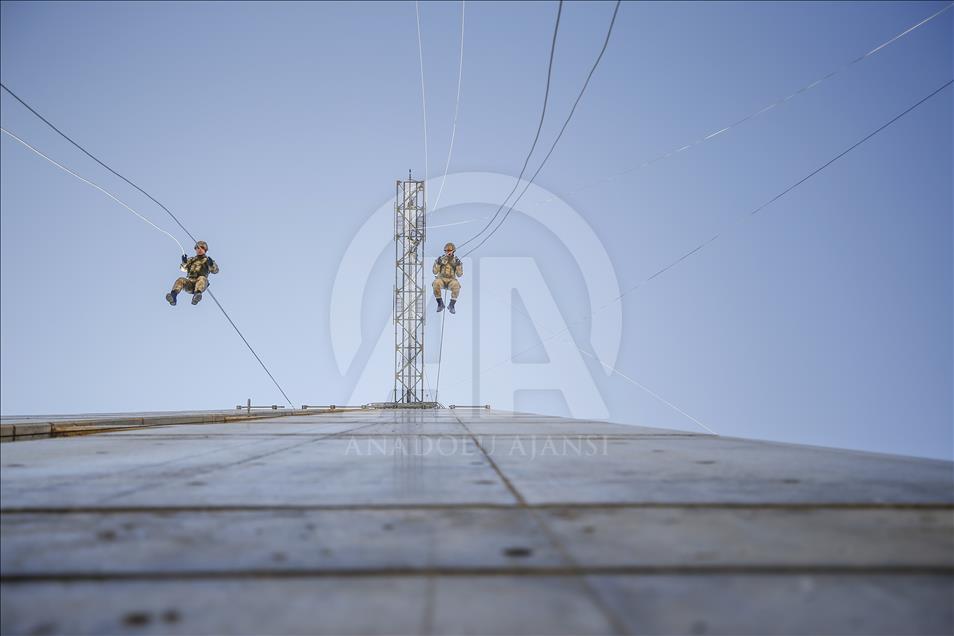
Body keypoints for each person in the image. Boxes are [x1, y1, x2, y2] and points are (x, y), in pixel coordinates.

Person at [166, 240, 219, 306]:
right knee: (180, 279)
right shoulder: (191, 260)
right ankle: (173, 296)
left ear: (205, 250)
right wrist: (184, 263)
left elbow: (215, 271)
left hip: (201, 283)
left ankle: (196, 296)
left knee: (202, 278)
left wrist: (211, 264)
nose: (199, 249)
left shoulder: (207, 260)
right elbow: (183, 269)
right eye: (197, 248)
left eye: (202, 248)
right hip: (190, 283)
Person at [432, 242, 462, 313]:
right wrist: (438, 263)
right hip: (441, 279)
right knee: (436, 282)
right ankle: (440, 303)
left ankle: (451, 305)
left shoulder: (456, 260)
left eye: (450, 251)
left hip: (451, 281)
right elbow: (434, 272)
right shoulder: (440, 259)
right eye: (447, 251)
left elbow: (459, 274)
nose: (448, 252)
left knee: (456, 284)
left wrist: (458, 265)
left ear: (453, 251)